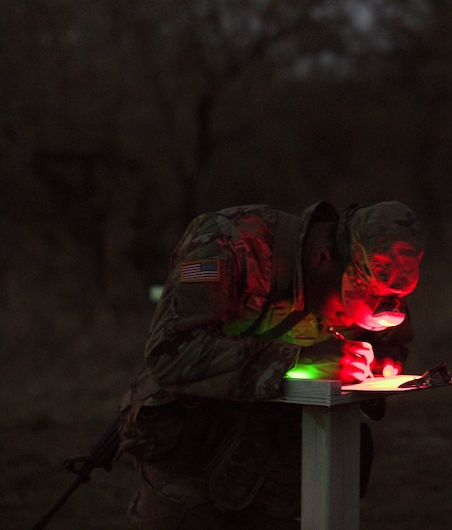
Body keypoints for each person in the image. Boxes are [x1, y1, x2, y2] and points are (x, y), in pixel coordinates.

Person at [118, 199, 424, 529]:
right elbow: (172, 355)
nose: (358, 321)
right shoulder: (226, 244)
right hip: (193, 449)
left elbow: (392, 339)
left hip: (278, 465)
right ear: (323, 259)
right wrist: (297, 360)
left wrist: (380, 363)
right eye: (355, 305)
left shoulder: (372, 275)